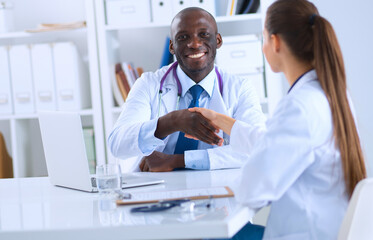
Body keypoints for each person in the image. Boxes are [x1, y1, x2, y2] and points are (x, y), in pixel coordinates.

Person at [188, 0, 367, 239]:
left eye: (263, 38)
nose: (263, 48)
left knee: (206, 233)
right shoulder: (329, 94)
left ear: (275, 42)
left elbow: (253, 190)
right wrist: (221, 120)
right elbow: (275, 143)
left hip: (307, 233)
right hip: (325, 227)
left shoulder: (300, 107)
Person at [107, 7, 266, 172]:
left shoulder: (239, 88)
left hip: (215, 185)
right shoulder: (149, 84)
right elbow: (117, 144)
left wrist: (178, 160)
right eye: (183, 37)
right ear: (172, 46)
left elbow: (258, 148)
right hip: (158, 186)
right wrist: (171, 122)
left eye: (204, 34)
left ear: (218, 41)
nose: (194, 44)